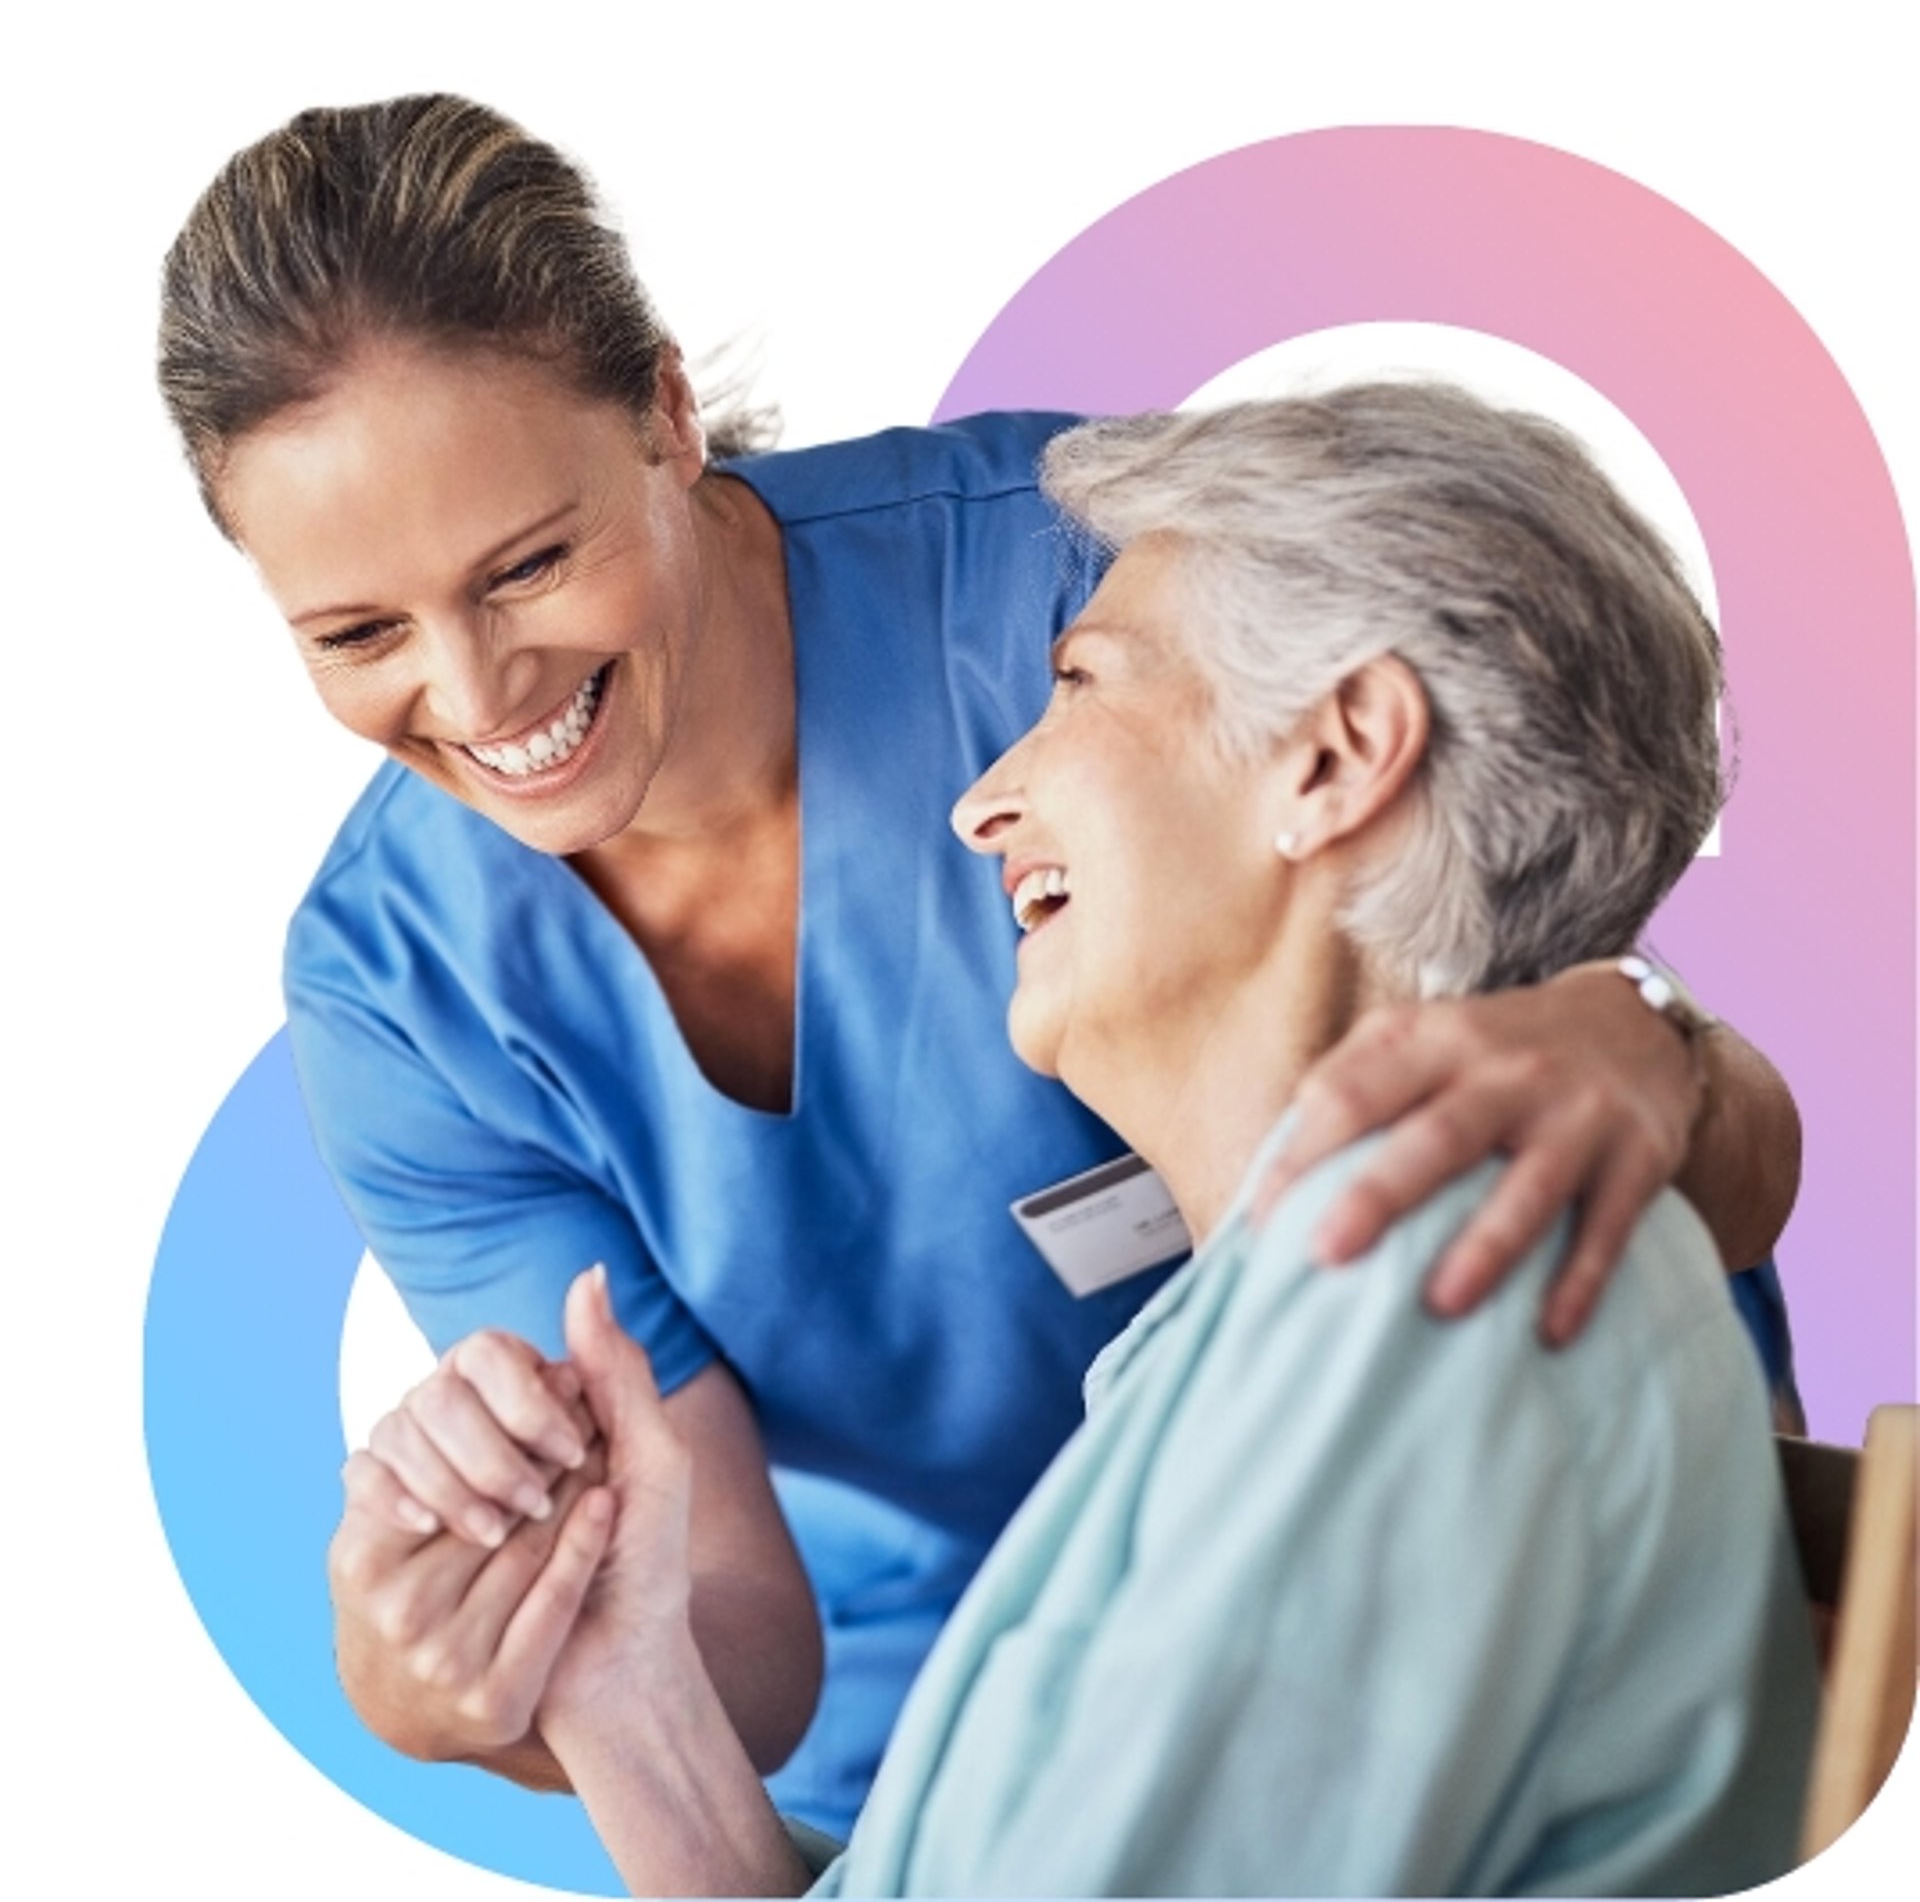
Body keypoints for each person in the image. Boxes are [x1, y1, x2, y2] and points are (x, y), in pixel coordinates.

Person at [157, 94, 1805, 1836]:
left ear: (663, 412)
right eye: (355, 635)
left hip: (1401, 1565)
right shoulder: (399, 986)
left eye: (531, 563)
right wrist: (493, 1668)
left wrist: (1639, 1037)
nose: (481, 698)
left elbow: (1552, 898)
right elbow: (708, 1608)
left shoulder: (1095, 587)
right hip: (975, 1736)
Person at [505, 387, 1821, 1897]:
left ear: (1335, 757)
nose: (982, 803)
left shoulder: (1423, 1296)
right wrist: (629, 1703)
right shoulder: (1261, 1326)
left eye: (1078, 682)